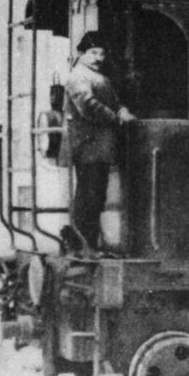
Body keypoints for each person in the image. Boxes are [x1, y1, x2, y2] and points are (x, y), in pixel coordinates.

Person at [63, 31, 135, 251]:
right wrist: (117, 117)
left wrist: (122, 110)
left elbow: (114, 101)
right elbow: (88, 106)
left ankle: (86, 244)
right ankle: (83, 245)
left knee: (94, 196)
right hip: (87, 147)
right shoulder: (78, 77)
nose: (98, 58)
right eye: (93, 53)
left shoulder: (98, 77)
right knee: (90, 196)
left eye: (102, 54)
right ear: (81, 53)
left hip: (99, 148)